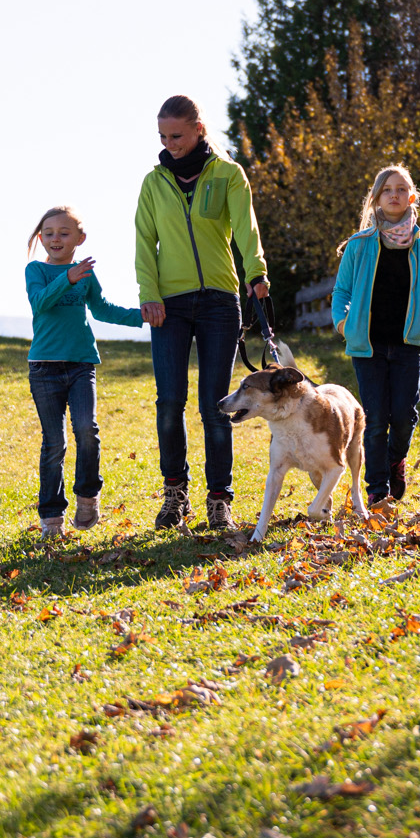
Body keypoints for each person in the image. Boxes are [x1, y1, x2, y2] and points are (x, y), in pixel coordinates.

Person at [134, 95, 270, 531]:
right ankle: (175, 495)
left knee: (217, 405)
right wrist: (149, 293)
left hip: (218, 302)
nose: (169, 143)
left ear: (197, 129)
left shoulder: (228, 175)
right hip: (169, 305)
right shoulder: (154, 184)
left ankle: (219, 501)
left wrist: (257, 273)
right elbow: (144, 243)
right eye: (163, 136)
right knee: (170, 402)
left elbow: (246, 231)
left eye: (176, 135)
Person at [25, 205, 142, 539]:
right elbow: (40, 303)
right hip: (44, 367)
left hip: (80, 364)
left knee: (86, 430)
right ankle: (51, 519)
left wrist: (143, 316)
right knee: (54, 442)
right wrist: (67, 278)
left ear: (80, 238)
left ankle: (88, 496)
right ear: (40, 238)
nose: (55, 239)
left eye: (64, 233)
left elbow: (103, 309)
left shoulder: (85, 274)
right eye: (48, 234)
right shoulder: (35, 270)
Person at [331, 165, 420, 506]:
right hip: (367, 346)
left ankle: (395, 460)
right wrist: (343, 324)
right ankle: (377, 488)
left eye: (401, 189)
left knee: (405, 414)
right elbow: (342, 291)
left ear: (412, 196)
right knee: (376, 417)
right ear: (377, 198)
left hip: (408, 344)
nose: (394, 195)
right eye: (387, 190)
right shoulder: (360, 244)